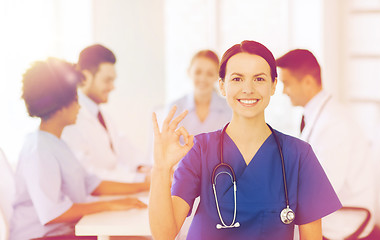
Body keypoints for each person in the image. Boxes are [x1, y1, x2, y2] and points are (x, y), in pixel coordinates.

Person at [149, 40, 342, 239]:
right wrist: (161, 169)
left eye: (259, 79)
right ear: (222, 86)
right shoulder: (200, 150)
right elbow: (164, 234)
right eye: (237, 79)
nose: (248, 89)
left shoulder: (299, 155)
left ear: (273, 85)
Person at [10, 58, 149, 240]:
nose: (79, 106)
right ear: (59, 107)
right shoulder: (38, 149)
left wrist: (146, 186)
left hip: (63, 231)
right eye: (76, 99)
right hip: (41, 237)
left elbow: (93, 184)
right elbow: (53, 213)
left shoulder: (58, 143)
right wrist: (111, 205)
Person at [277, 49, 375, 239]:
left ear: (307, 82)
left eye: (286, 84)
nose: (283, 91)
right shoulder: (319, 116)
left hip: (345, 218)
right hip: (334, 210)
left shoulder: (333, 123)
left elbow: (322, 189)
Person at [165, 50, 231, 240]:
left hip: (219, 190)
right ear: (189, 72)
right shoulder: (174, 108)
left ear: (218, 78)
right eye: (198, 72)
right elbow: (165, 154)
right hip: (181, 188)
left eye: (210, 73)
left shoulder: (228, 109)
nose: (203, 78)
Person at [62, 44, 147, 180]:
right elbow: (87, 176)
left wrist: (143, 169)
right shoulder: (70, 119)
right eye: (107, 80)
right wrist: (140, 179)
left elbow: (124, 151)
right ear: (85, 77)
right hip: (96, 198)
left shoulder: (104, 117)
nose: (112, 87)